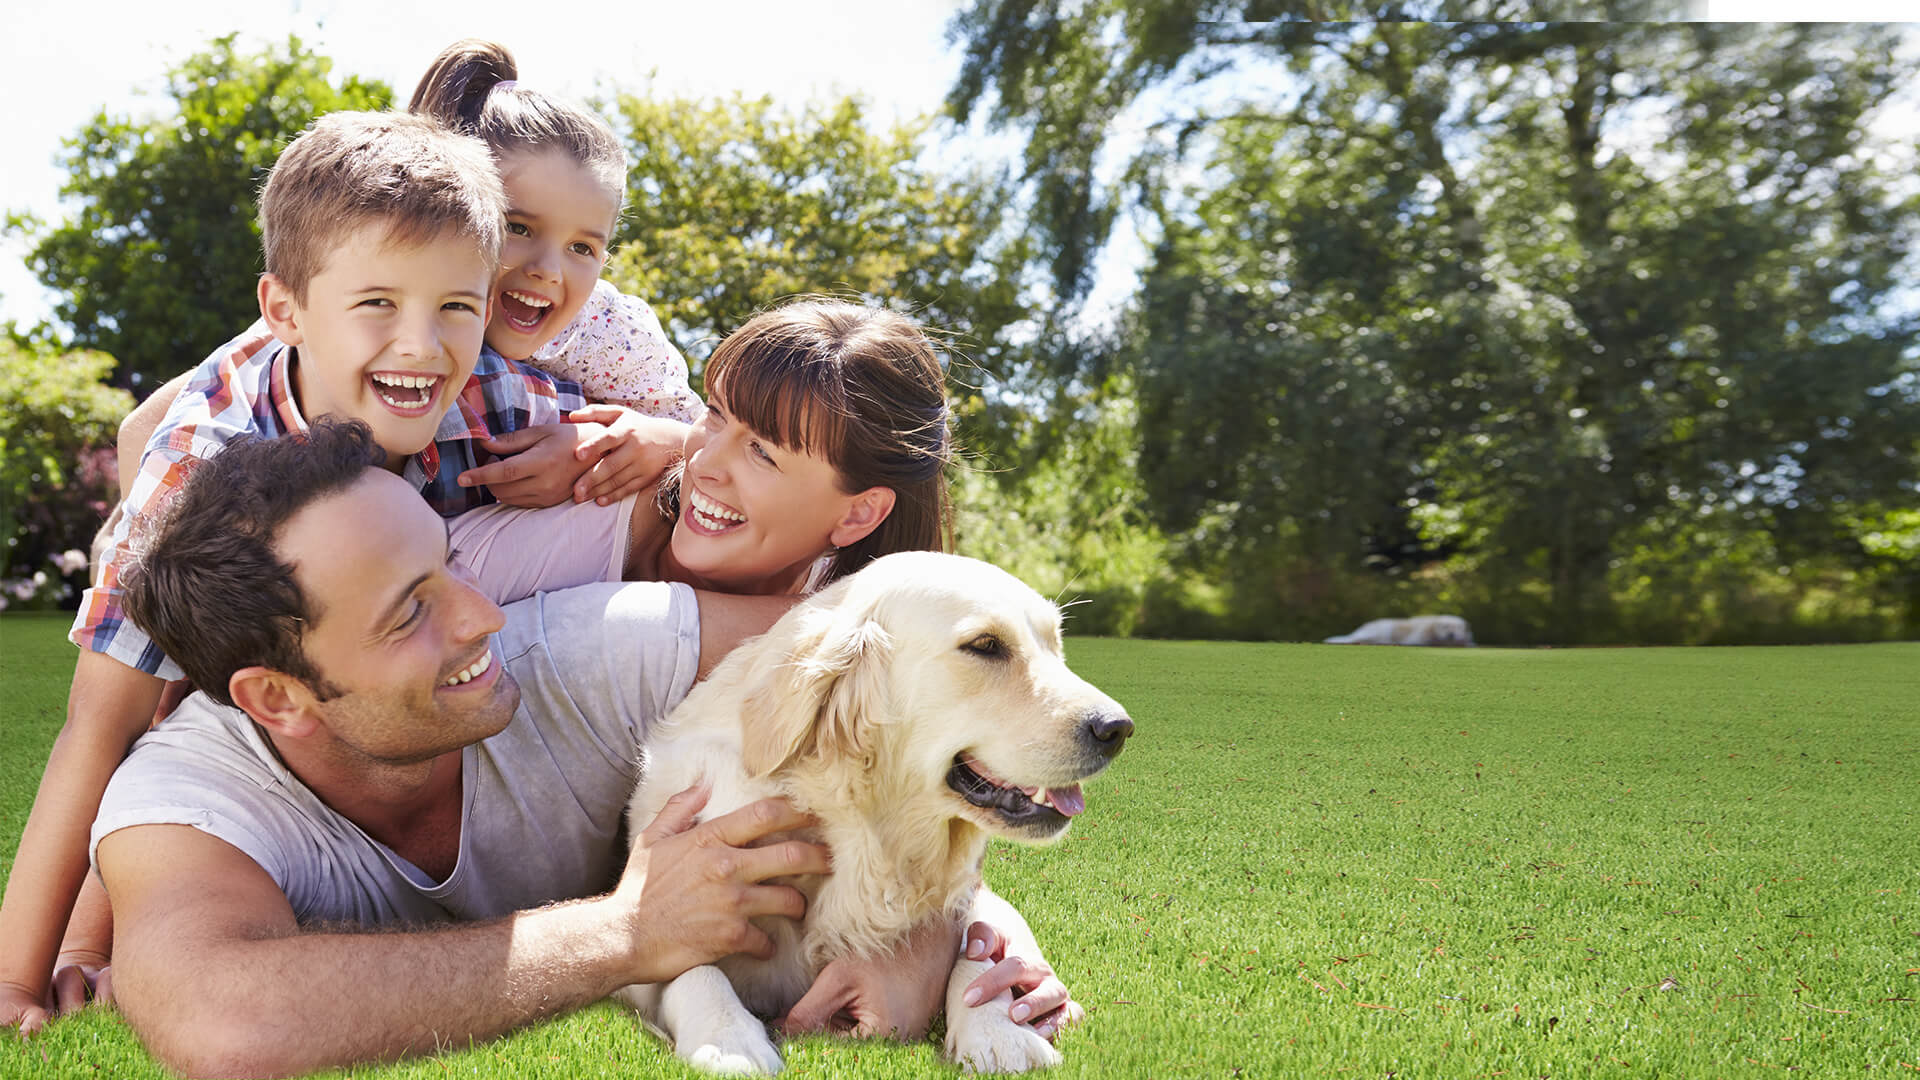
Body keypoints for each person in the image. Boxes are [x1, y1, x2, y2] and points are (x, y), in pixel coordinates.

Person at [90, 420, 1074, 1075]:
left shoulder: (601, 645)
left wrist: (951, 932)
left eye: (450, 568)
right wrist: (624, 933)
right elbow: (223, 1022)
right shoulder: (188, 797)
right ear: (278, 696)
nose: (483, 617)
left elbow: (907, 693)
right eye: (410, 615)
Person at [0, 109, 670, 1035]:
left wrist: (660, 443)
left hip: (400, 601)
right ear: (284, 312)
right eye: (379, 306)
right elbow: (96, 725)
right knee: (163, 698)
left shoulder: (495, 392)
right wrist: (26, 972)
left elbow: (675, 462)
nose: (422, 345)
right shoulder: (201, 470)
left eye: (456, 307)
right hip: (250, 598)